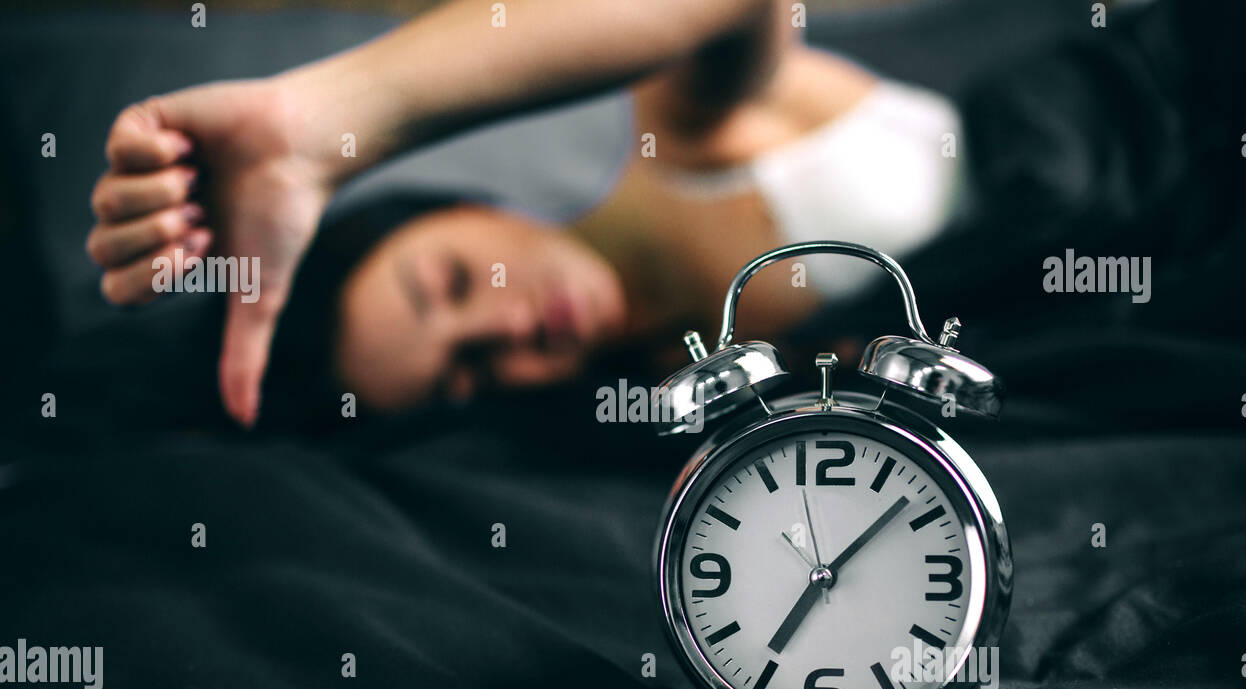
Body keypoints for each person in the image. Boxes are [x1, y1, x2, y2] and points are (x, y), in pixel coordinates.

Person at [85, 0, 963, 424]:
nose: (513, 328)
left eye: (454, 280)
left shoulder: (684, 133)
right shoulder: (668, 406)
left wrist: (321, 122)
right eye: (467, 371)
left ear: (473, 208)